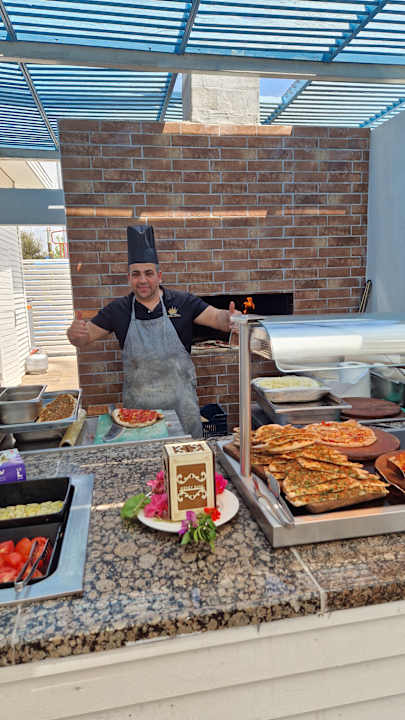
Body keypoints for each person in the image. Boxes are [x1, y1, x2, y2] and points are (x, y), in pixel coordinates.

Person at [67, 224, 239, 437]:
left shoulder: (182, 302)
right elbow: (85, 337)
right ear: (129, 277)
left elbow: (217, 317)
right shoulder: (118, 310)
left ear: (159, 275)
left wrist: (230, 318)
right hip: (138, 414)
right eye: (136, 274)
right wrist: (74, 335)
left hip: (183, 409)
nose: (142, 280)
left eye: (148, 273)